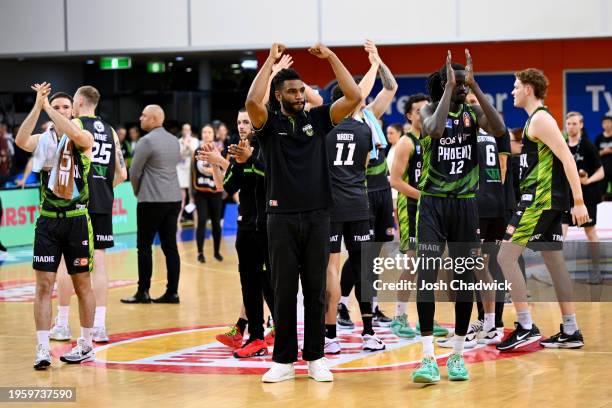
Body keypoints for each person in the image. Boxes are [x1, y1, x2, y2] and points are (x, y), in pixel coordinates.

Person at [246, 42, 361, 383]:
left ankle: (315, 357)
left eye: (301, 90)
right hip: (280, 218)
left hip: (318, 215)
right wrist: (268, 62)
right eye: (292, 91)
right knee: (283, 291)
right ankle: (282, 361)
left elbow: (353, 96)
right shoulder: (266, 125)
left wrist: (333, 58)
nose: (299, 95)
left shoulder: (318, 120)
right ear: (279, 96)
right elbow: (253, 101)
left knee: (316, 290)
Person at [411, 50, 506, 384]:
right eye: (458, 83)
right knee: (427, 274)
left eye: (464, 84)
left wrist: (476, 87)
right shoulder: (427, 111)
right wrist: (451, 87)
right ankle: (426, 357)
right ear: (444, 86)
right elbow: (435, 130)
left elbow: (499, 128)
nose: (463, 88)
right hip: (433, 204)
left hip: (465, 204)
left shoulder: (472, 112)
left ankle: (457, 355)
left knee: (464, 277)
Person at [497, 69, 588, 351]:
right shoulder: (532, 122)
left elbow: (567, 158)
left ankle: (525, 325)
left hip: (539, 199)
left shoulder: (541, 119)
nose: (512, 91)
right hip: (546, 200)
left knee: (505, 256)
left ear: (528, 89)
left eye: (515, 87)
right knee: (555, 263)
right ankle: (570, 329)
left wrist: (579, 200)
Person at [17, 82, 97, 369]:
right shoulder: (44, 140)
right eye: (57, 107)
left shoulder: (82, 135)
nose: (61, 111)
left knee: (82, 284)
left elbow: (74, 133)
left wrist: (50, 107)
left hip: (77, 220)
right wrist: (38, 106)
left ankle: (86, 343)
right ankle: (42, 347)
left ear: (74, 110)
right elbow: (20, 140)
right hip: (48, 221)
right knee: (43, 286)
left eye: (66, 107)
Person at [325, 40, 397, 355]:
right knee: (364, 265)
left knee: (330, 268)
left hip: (329, 206)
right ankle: (368, 332)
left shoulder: (322, 127)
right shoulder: (365, 130)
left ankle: (329, 336)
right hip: (359, 201)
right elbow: (366, 163)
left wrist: (371, 66)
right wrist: (373, 63)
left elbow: (362, 93)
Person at [49, 86, 127, 343]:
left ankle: (62, 324)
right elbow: (122, 174)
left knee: (66, 263)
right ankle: (100, 327)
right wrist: (103, 187)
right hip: (103, 202)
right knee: (100, 264)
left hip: (77, 203)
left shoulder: (75, 125)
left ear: (78, 102)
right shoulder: (112, 131)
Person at [202, 109, 275, 358]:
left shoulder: (268, 147)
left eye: (246, 122)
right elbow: (229, 186)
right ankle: (255, 337)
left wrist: (250, 159)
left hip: (267, 227)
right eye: (239, 122)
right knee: (249, 286)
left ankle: (281, 332)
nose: (242, 126)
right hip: (245, 228)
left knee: (269, 286)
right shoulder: (238, 151)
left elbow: (272, 179)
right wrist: (216, 164)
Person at [121, 105, 182, 304]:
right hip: (173, 199)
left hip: (151, 200)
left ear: (154, 119)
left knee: (144, 247)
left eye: (144, 115)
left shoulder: (145, 141)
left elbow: (134, 173)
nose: (140, 118)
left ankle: (143, 292)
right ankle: (172, 292)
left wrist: (138, 192)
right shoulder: (174, 140)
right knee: (170, 247)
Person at [389, 93, 430, 338]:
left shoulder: (434, 138)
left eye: (427, 110)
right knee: (413, 263)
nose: (423, 114)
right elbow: (395, 181)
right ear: (409, 116)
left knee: (430, 265)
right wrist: (424, 197)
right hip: (412, 208)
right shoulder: (406, 142)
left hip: (430, 210)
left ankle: (427, 317)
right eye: (418, 111)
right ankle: (399, 316)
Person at [561, 112, 604, 281]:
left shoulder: (588, 146)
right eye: (568, 123)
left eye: (574, 123)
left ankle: (596, 269)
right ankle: (559, 272)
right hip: (566, 196)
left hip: (587, 196)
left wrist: (587, 181)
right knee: (560, 232)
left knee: (590, 231)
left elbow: (601, 172)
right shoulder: (562, 145)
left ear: (581, 125)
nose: (571, 126)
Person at [190, 124, 224, 262]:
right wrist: (191, 194)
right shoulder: (196, 151)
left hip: (215, 191)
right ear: (201, 135)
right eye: (204, 132)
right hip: (200, 192)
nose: (206, 134)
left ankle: (216, 251)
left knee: (216, 222)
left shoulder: (220, 150)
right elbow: (191, 172)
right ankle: (200, 253)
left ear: (214, 134)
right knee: (202, 220)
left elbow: (224, 170)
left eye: (209, 132)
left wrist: (225, 187)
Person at [177, 123, 200, 226]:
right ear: (182, 131)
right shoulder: (178, 142)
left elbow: (194, 153)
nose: (186, 131)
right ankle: (177, 220)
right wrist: (183, 144)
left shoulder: (195, 141)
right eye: (184, 129)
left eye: (188, 130)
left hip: (191, 171)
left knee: (192, 197)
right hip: (181, 171)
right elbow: (178, 156)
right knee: (182, 197)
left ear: (190, 131)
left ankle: (196, 220)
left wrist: (188, 145)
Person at [594, 115, 612, 200]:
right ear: (602, 125)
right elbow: (595, 153)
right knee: (601, 192)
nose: (607, 125)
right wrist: (603, 151)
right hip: (603, 169)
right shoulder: (599, 138)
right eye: (605, 123)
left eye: (609, 123)